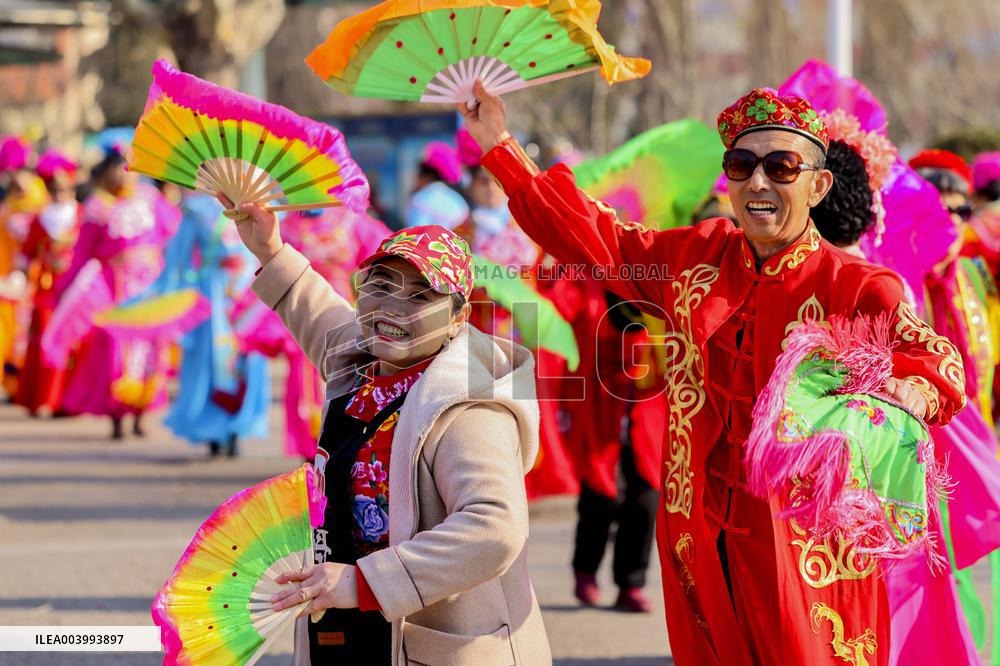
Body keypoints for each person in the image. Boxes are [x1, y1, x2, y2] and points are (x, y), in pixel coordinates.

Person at [461, 82, 967, 665]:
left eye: (781, 166)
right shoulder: (694, 257)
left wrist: (915, 388)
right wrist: (500, 144)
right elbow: (594, 238)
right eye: (741, 164)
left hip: (802, 545)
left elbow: (935, 359)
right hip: (697, 524)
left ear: (817, 185)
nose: (758, 182)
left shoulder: (853, 286)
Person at [226, 193, 551, 664]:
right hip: (348, 625)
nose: (392, 307)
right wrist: (269, 248)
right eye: (379, 285)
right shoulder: (364, 362)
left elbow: (495, 527)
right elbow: (319, 314)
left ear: (459, 317)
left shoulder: (468, 406)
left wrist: (367, 582)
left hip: (436, 640)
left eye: (420, 295)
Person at [54, 150, 180, 438]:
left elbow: (174, 233)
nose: (125, 173)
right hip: (115, 288)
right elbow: (81, 253)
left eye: (130, 167)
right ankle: (117, 416)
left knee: (150, 350)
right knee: (115, 350)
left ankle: (140, 414)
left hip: (150, 286)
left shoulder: (151, 200)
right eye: (119, 168)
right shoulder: (98, 207)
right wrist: (65, 288)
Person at [157, 193, 270, 457]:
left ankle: (237, 426)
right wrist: (181, 297)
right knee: (211, 361)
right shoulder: (198, 209)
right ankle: (213, 429)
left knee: (247, 361)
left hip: (248, 291)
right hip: (213, 295)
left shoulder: (260, 201)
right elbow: (179, 257)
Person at [14, 151, 81, 416]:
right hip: (47, 289)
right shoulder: (39, 218)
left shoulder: (82, 214)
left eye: (64, 187)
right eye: (54, 187)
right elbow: (26, 253)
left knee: (72, 342)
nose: (60, 191)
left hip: (75, 288)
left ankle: (68, 401)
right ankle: (41, 398)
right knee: (44, 340)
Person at [404, 141, 469, 230]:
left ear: (428, 176)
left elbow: (415, 236)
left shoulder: (419, 200)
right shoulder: (460, 203)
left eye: (419, 173)